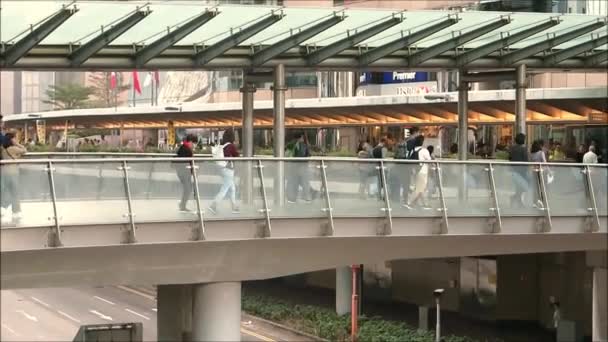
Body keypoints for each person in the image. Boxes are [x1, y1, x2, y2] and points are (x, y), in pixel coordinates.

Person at [1, 133, 27, 222]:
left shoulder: (4, 150)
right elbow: (24, 150)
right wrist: (17, 144)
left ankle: (4, 208)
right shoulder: (13, 148)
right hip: (13, 173)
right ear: (11, 140)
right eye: (15, 138)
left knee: (8, 191)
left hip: (5, 173)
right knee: (15, 192)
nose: (16, 139)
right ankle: (15, 212)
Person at [390, 127, 420, 205]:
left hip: (400, 164)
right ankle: (405, 200)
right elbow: (413, 153)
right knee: (407, 183)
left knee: (401, 182)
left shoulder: (404, 140)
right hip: (408, 165)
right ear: (416, 132)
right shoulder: (414, 141)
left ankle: (397, 198)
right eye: (418, 132)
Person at [403, 135, 432, 210]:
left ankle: (424, 204)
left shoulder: (413, 150)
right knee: (420, 189)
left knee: (420, 188)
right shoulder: (424, 151)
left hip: (416, 171)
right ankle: (409, 203)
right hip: (423, 171)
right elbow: (430, 160)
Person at [286, 132, 312, 204]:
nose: (303, 139)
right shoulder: (303, 145)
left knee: (294, 182)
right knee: (303, 182)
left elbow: (287, 155)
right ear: (300, 138)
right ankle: (306, 197)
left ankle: (292, 198)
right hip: (301, 167)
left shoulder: (290, 145)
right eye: (302, 138)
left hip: (293, 167)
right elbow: (308, 156)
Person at [175, 134, 197, 212]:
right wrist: (192, 172)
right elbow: (189, 162)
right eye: (194, 143)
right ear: (190, 142)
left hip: (181, 171)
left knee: (187, 188)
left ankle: (182, 205)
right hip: (184, 172)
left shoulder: (183, 147)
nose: (194, 145)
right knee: (188, 188)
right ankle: (182, 205)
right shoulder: (187, 149)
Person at [509, 133, 529, 208]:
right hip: (522, 171)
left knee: (518, 187)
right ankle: (516, 200)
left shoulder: (512, 148)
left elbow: (510, 158)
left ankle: (517, 201)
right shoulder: (523, 149)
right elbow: (526, 161)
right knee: (524, 187)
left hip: (514, 171)